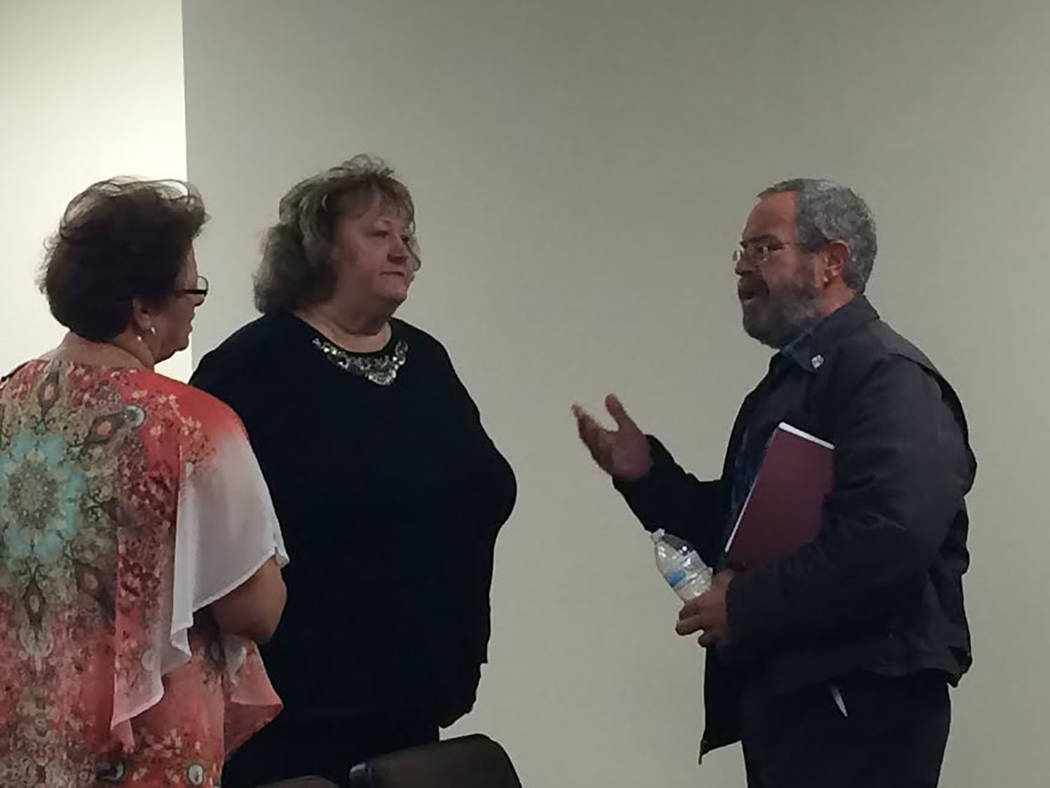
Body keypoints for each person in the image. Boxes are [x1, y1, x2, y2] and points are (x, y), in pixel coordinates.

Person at [573, 179, 975, 788]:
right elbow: (744, 534)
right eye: (741, 252)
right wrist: (648, 476)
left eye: (764, 248)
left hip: (859, 705)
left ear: (830, 262)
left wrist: (745, 606)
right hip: (795, 697)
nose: (743, 268)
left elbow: (886, 541)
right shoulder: (791, 382)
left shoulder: (888, 378)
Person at [191, 155, 517, 787]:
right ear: (321, 250)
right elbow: (209, 538)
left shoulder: (425, 361)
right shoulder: (251, 368)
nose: (402, 251)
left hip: (415, 703)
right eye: (378, 233)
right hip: (294, 722)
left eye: (407, 236)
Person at [0, 178, 288, 787]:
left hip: (27, 742)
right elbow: (256, 609)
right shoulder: (193, 424)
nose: (196, 304)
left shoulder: (7, 402)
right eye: (191, 289)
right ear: (143, 308)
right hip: (143, 752)